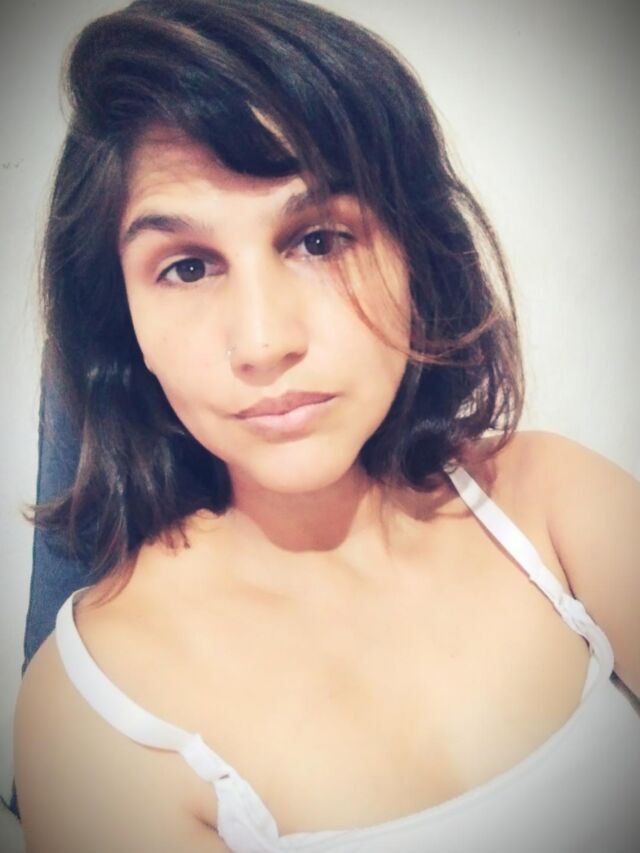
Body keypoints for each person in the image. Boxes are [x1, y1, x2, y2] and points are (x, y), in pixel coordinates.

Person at [13, 0, 640, 851]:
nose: (263, 341)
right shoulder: (94, 715)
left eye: (317, 240)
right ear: (124, 325)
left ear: (415, 252)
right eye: (187, 267)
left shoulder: (556, 505)